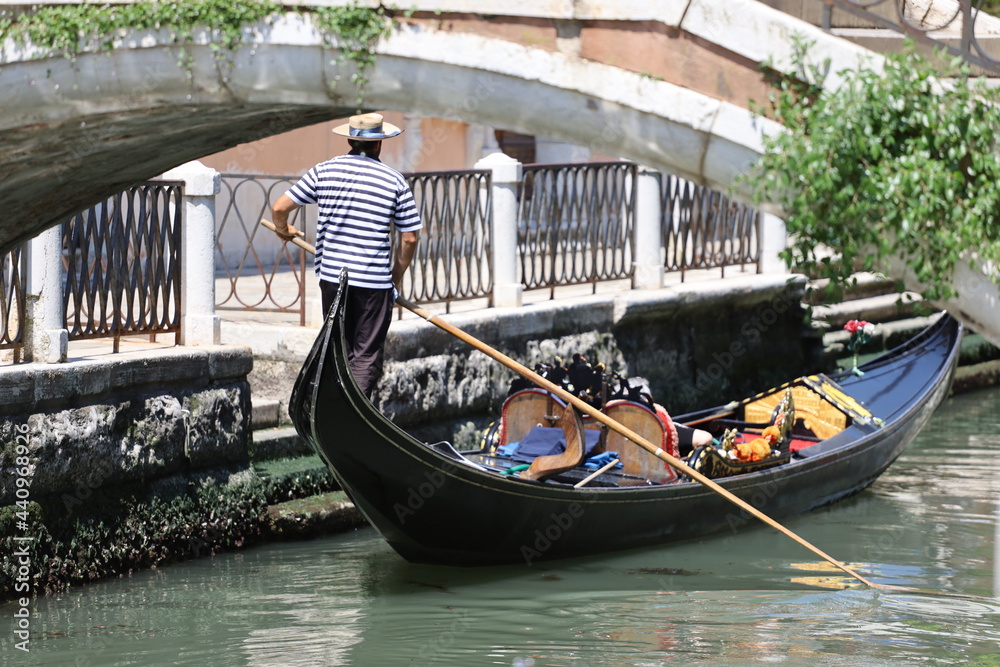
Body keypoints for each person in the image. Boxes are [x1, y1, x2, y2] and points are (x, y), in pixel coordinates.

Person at [270, 112, 422, 397]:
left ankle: (334, 404)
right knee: (365, 354)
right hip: (374, 283)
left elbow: (279, 208)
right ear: (379, 143)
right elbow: (410, 238)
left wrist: (283, 229)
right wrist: (395, 278)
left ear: (351, 139)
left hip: (332, 277)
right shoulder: (394, 181)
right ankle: (352, 408)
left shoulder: (323, 171)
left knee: (338, 346)